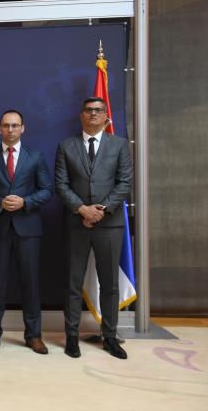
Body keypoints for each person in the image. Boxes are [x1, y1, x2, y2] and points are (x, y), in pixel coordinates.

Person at [55, 97, 133, 360]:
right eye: (88, 110)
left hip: (109, 224)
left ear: (106, 116)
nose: (93, 114)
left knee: (109, 284)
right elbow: (61, 184)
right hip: (76, 223)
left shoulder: (119, 145)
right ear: (81, 116)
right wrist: (82, 210)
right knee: (72, 283)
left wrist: (100, 210)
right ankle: (72, 337)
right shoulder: (66, 146)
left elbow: (125, 183)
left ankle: (109, 337)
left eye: (98, 110)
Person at [0, 110, 53, 355]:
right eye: (6, 125)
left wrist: (25, 202)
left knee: (31, 284)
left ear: (22, 128)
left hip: (28, 230)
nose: (10, 129)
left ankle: (34, 335)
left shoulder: (35, 157)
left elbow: (47, 190)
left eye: (15, 125)